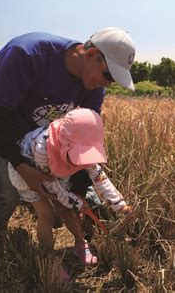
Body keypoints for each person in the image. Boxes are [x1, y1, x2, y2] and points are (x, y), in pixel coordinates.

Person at [0, 27, 136, 262]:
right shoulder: (28, 55)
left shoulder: (93, 87)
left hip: (42, 133)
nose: (107, 84)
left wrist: (75, 195)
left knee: (77, 190)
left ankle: (88, 237)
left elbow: (83, 142)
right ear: (91, 55)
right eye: (109, 76)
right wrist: (22, 167)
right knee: (8, 193)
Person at [8, 108, 132, 280]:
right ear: (65, 144)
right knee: (46, 214)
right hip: (30, 174)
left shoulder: (81, 141)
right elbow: (51, 187)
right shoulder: (42, 148)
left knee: (67, 210)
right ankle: (49, 257)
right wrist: (78, 203)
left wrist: (119, 203)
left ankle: (80, 243)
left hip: (57, 171)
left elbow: (98, 175)